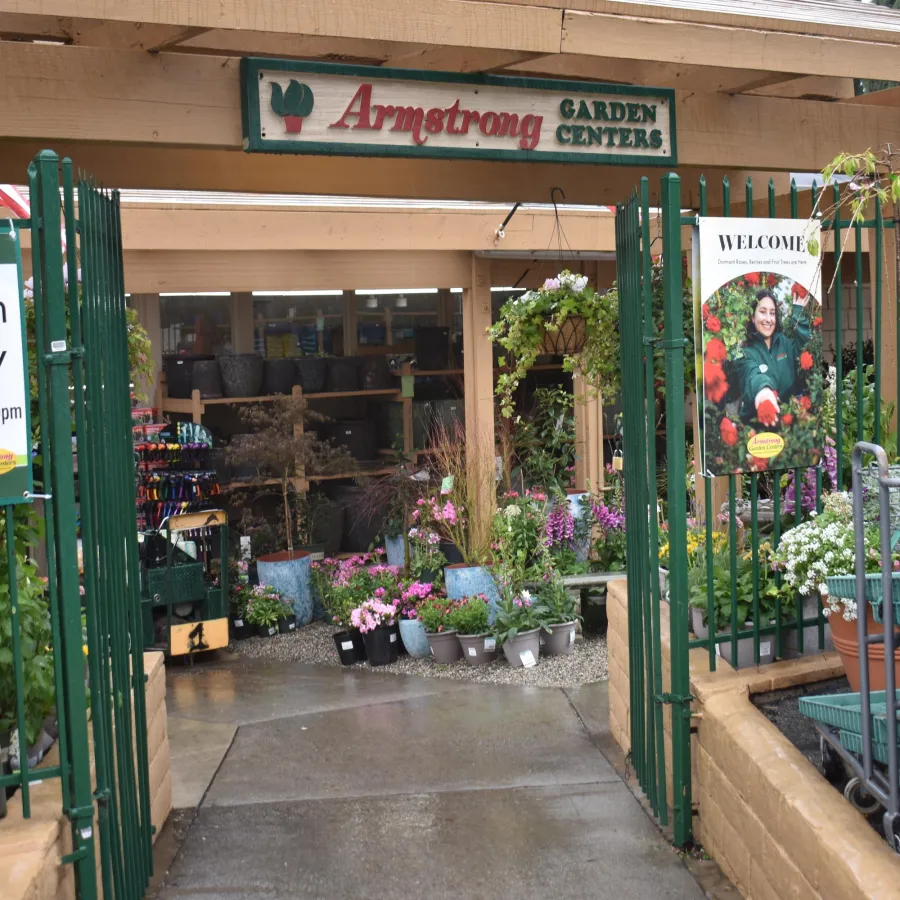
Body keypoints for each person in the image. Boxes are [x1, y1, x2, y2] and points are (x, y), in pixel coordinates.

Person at [735, 287, 811, 424]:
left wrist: (798, 311)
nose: (768, 319)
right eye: (763, 312)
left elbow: (804, 346)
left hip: (789, 430)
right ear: (753, 317)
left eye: (772, 313)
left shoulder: (784, 344)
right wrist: (763, 390)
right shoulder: (745, 352)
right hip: (755, 431)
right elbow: (752, 374)